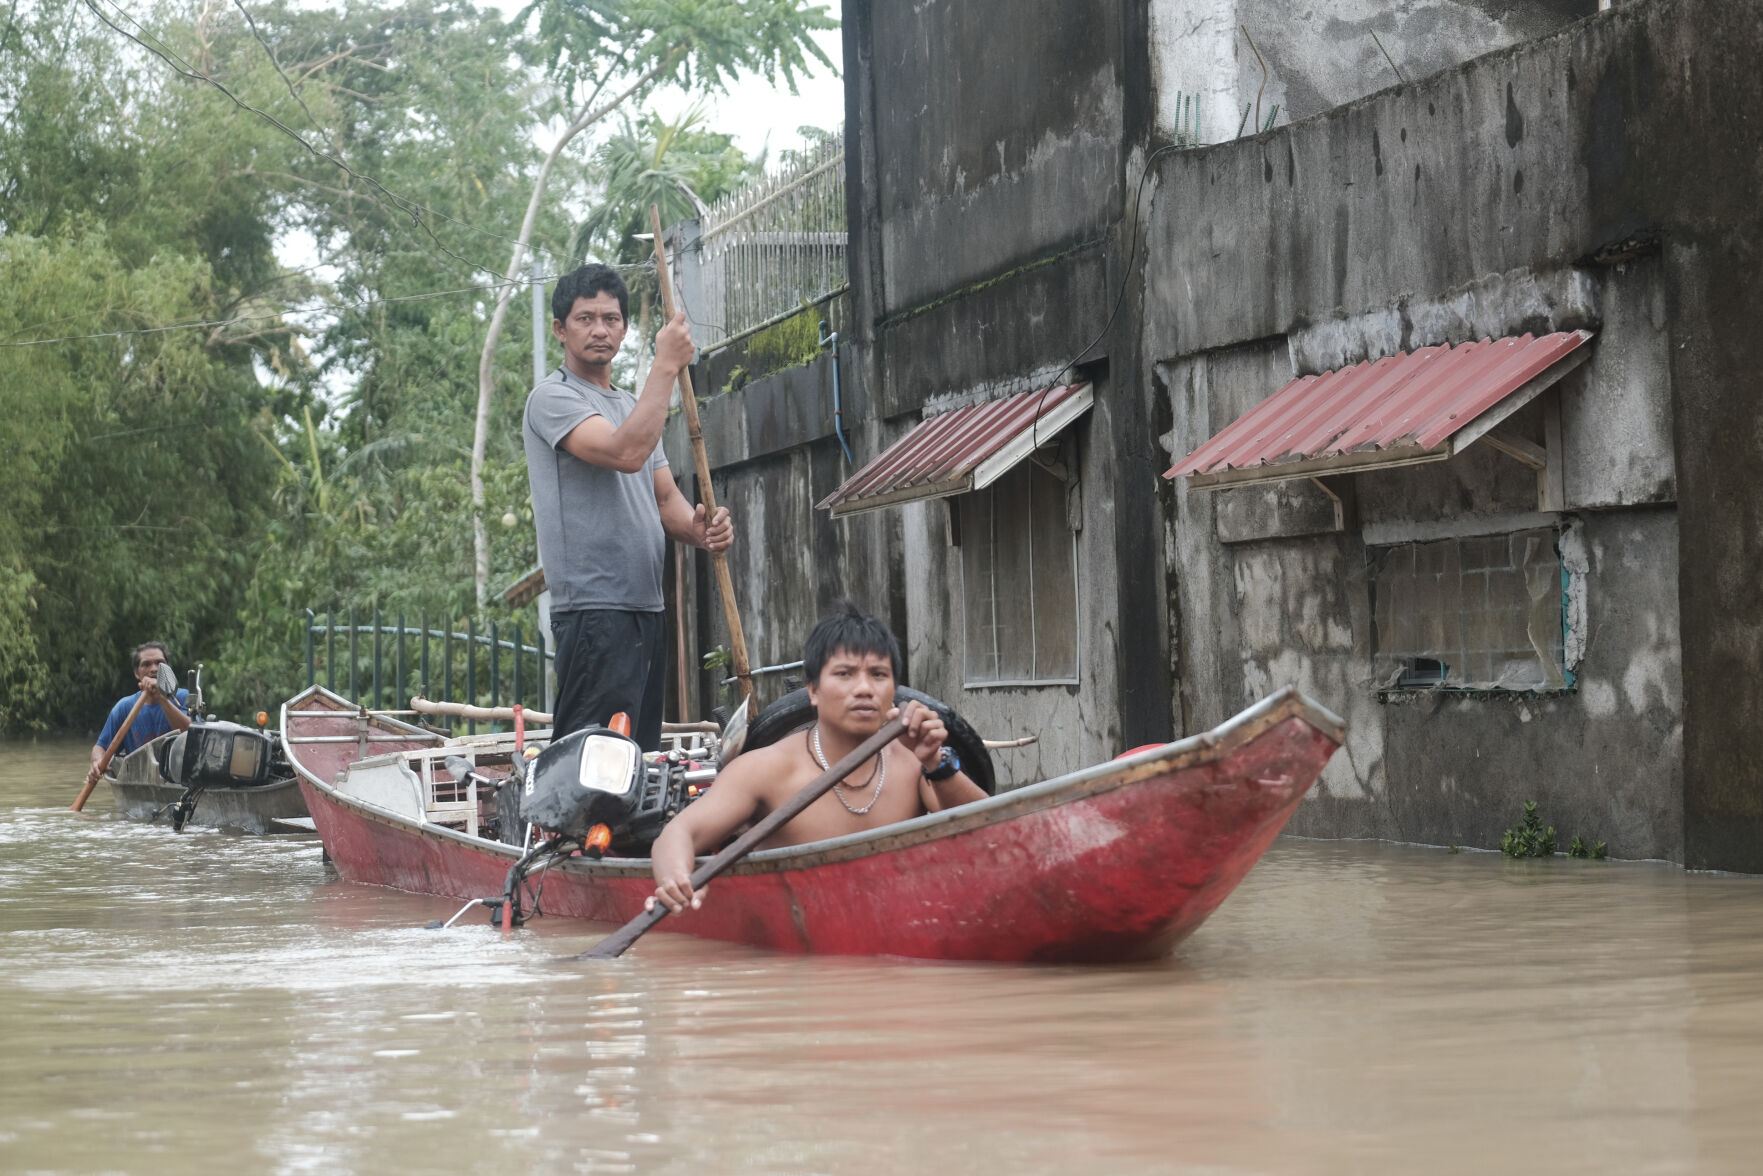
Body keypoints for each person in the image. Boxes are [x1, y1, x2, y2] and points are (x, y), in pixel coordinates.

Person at [646, 604, 989, 914]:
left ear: (894, 689)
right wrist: (676, 878)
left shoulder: (914, 762)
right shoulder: (765, 768)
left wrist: (937, 762)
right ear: (813, 690)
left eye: (878, 675)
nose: (865, 688)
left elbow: (992, 838)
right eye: (844, 674)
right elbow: (679, 834)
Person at [523, 263, 734, 752]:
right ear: (560, 329)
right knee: (592, 761)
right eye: (585, 318)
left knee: (636, 757)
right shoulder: (551, 399)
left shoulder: (631, 406)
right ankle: (577, 833)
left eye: (612, 318)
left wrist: (703, 529)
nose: (601, 329)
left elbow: (665, 500)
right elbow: (625, 453)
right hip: (594, 610)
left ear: (624, 327)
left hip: (646, 607)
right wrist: (664, 366)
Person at [85, 642, 191, 788]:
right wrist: (97, 762)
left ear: (168, 669)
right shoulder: (124, 707)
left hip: (179, 779)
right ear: (137, 673)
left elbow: (191, 736)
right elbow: (100, 747)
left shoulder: (182, 697)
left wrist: (162, 698)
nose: (154, 669)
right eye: (146, 664)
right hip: (140, 781)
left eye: (160, 663)